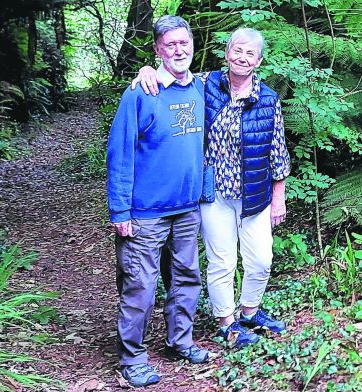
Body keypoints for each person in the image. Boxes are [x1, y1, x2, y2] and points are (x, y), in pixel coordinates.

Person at [133, 27, 291, 348]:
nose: (242, 58)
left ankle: (250, 311)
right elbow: (170, 76)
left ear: (258, 61)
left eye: (250, 54)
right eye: (237, 50)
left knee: (261, 259)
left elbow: (278, 151)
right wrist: (148, 69)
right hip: (214, 193)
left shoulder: (268, 99)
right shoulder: (205, 85)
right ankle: (227, 322)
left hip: (254, 194)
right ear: (227, 53)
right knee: (222, 261)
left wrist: (279, 199)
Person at [107, 15, 211, 388]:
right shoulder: (140, 93)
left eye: (184, 43)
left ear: (193, 45)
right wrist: (120, 210)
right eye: (170, 45)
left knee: (186, 278)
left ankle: (179, 342)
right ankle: (132, 358)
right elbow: (120, 154)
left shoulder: (201, 87)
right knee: (140, 287)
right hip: (145, 214)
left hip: (186, 209)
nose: (179, 50)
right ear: (157, 50)